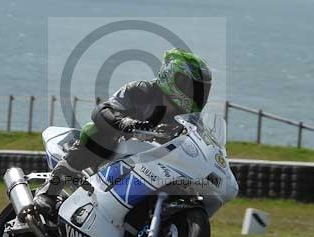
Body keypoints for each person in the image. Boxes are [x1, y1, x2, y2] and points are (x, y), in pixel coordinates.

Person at [32, 48, 212, 216]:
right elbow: (102, 110)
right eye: (190, 86)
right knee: (94, 131)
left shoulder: (193, 120)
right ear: (170, 75)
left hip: (153, 169)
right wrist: (124, 122)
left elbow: (201, 145)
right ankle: (49, 190)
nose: (195, 95)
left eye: (200, 90)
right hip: (113, 156)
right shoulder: (139, 90)